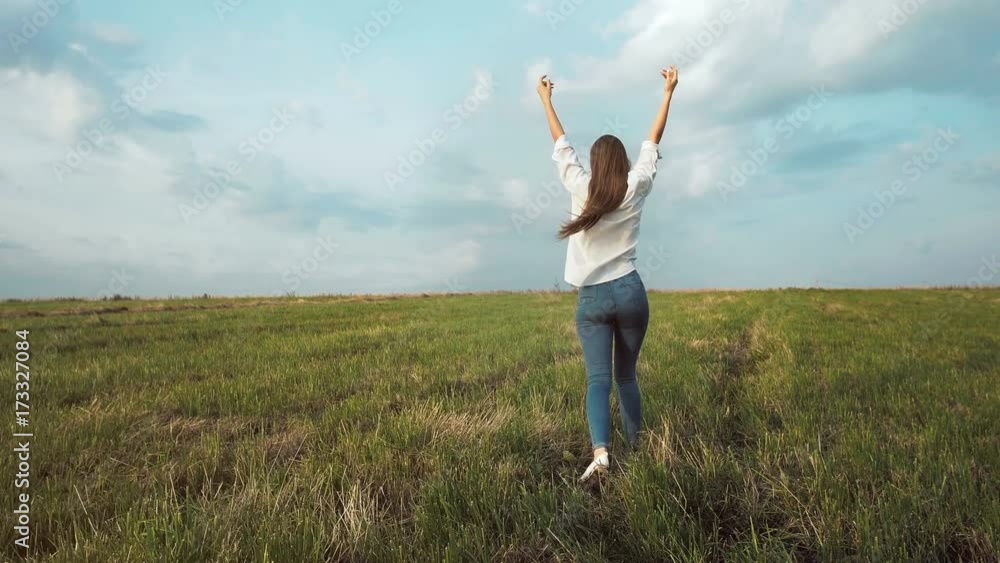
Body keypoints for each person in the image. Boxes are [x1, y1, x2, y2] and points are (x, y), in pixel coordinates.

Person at [536, 66, 679, 481]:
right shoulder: (635, 187)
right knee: (626, 376)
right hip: (631, 291)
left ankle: (601, 456)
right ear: (623, 163)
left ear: (596, 164)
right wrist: (668, 91)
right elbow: (653, 141)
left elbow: (561, 146)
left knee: (598, 380)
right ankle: (639, 448)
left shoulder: (581, 187)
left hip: (593, 298)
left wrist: (546, 100)